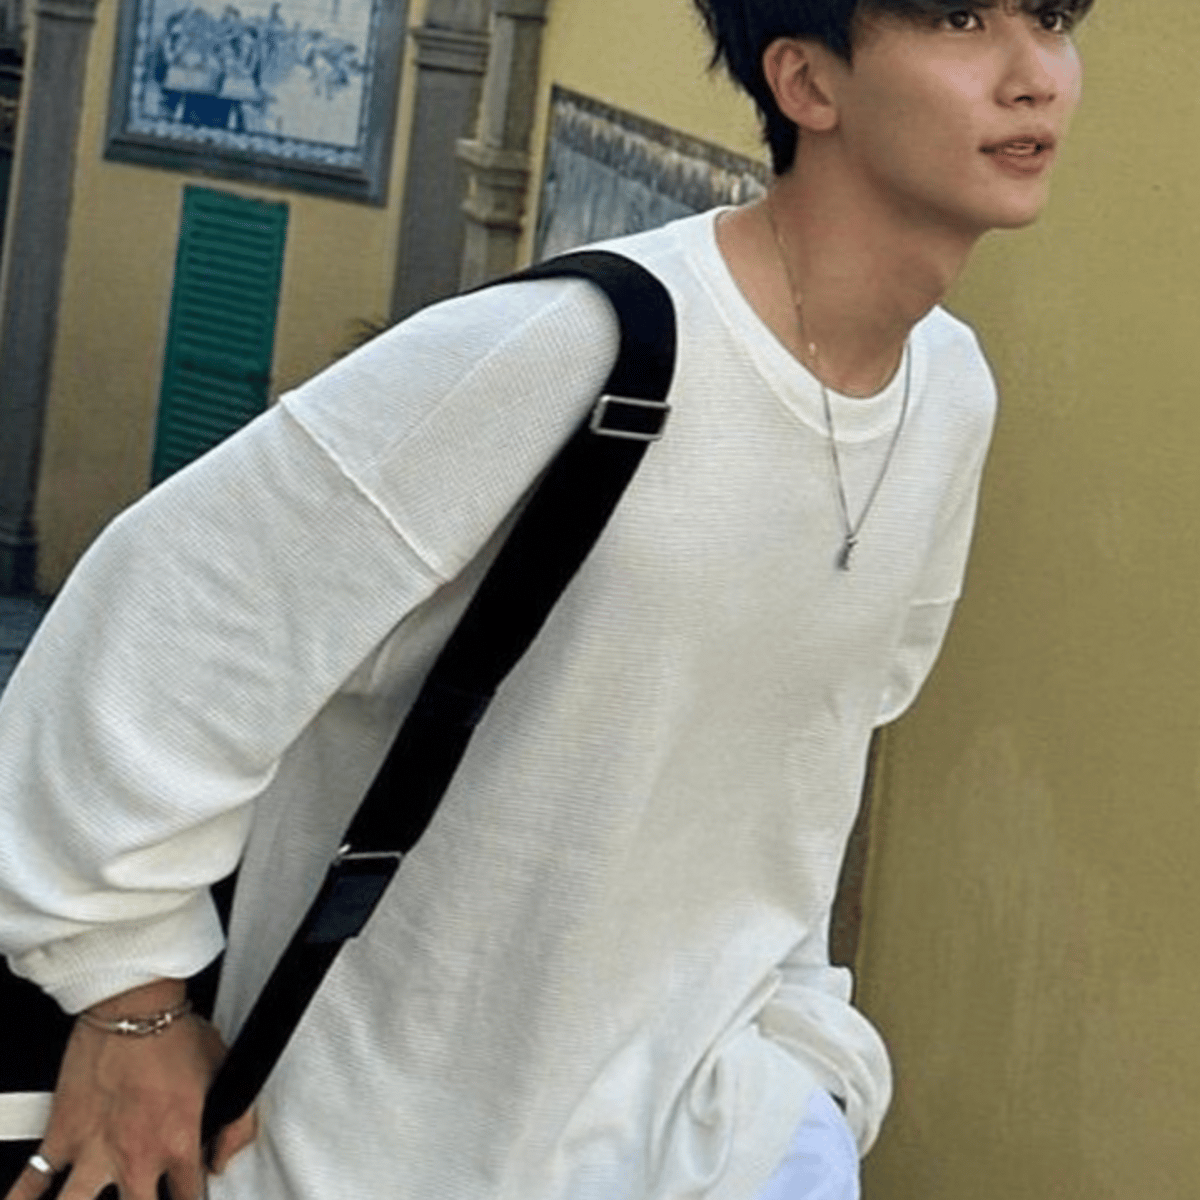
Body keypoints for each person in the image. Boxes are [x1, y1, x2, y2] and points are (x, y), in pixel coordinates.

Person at [0, 1, 1089, 1197]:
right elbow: (162, 621)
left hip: (715, 1143)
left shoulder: (949, 396)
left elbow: (804, 766)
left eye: (1051, 18)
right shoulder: (568, 350)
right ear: (806, 83)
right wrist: (130, 998)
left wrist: (809, 1082)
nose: (1035, 74)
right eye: (960, 18)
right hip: (374, 1152)